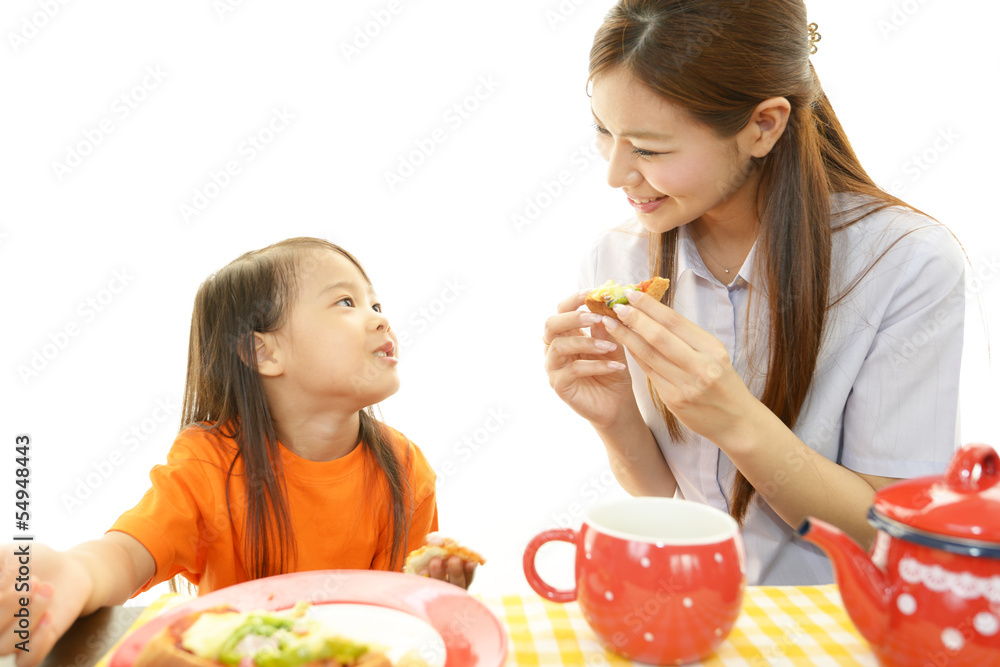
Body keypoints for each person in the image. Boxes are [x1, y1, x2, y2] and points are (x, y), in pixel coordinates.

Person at [543, 0, 965, 585]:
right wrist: (615, 420)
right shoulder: (620, 256)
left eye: (649, 148)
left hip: (837, 621)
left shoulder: (904, 261)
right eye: (603, 131)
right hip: (698, 607)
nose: (615, 174)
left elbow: (895, 534)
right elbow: (672, 500)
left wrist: (737, 419)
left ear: (763, 125)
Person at [1, 237, 477, 665]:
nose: (380, 317)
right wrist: (72, 572)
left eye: (376, 302)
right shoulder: (208, 464)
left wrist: (434, 591)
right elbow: (125, 555)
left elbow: (400, 615)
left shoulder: (405, 468)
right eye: (346, 302)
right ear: (264, 353)